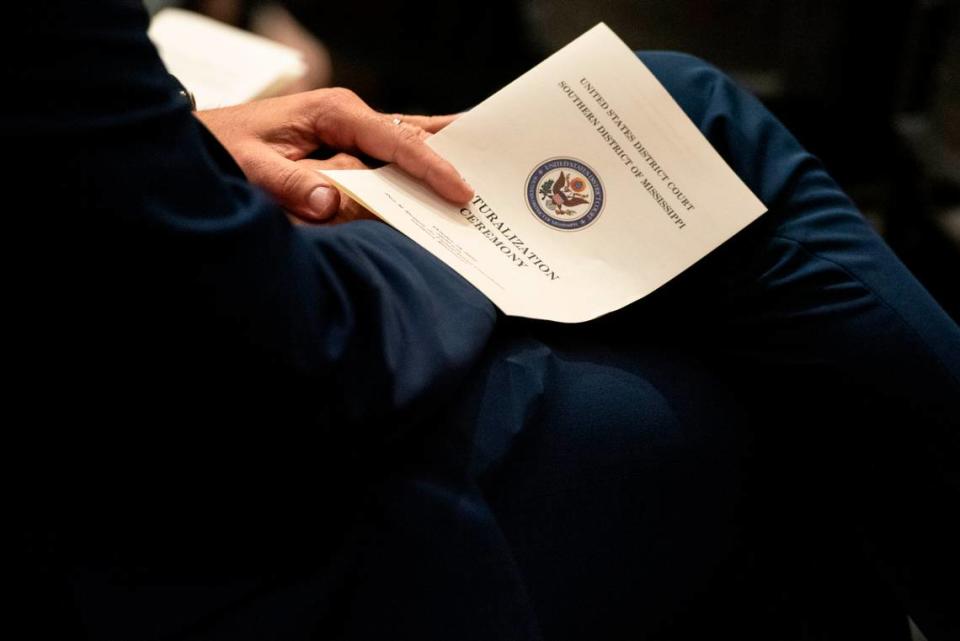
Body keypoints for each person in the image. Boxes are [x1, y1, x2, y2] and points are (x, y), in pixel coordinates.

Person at [9, 2, 958, 640]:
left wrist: (177, 133)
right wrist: (441, 229)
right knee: (728, 344)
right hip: (184, 528)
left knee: (672, 109)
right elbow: (279, 354)